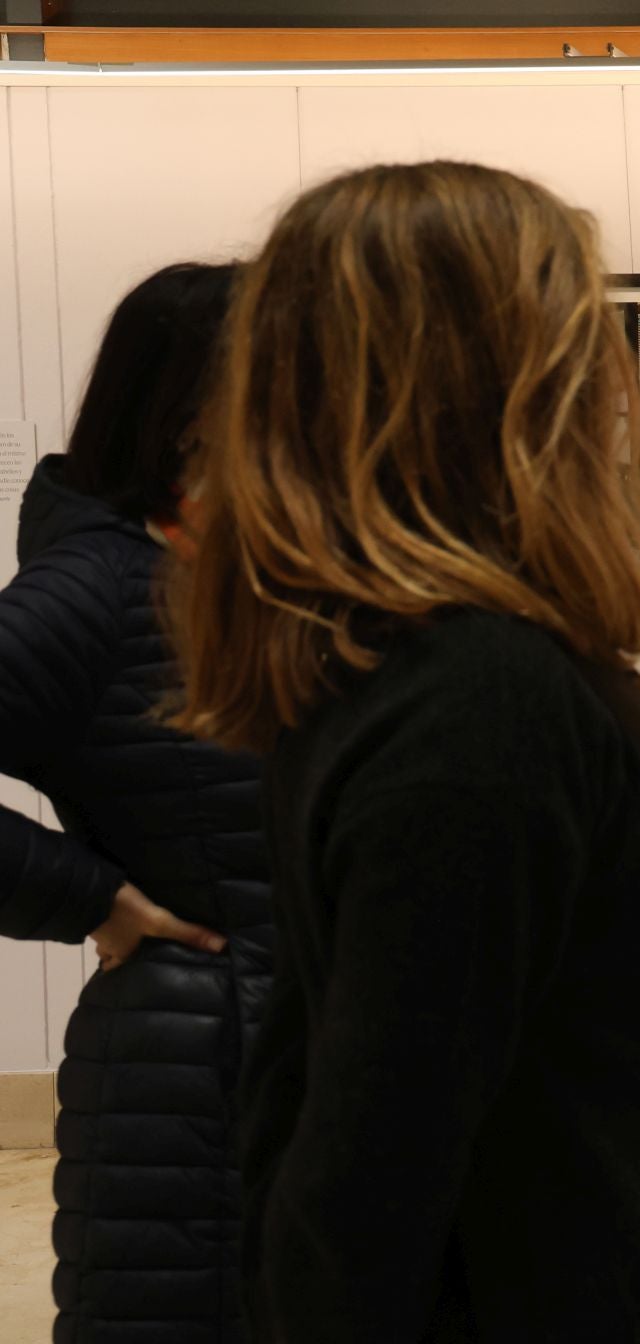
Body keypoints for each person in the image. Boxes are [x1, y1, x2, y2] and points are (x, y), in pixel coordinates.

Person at [167, 162, 640, 1343]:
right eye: (578, 341)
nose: (609, 389)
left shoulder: (428, 672)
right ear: (500, 391)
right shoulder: (476, 712)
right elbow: (363, 1197)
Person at [0, 261, 272, 1344]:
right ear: (194, 409)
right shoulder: (98, 585)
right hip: (187, 1084)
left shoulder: (266, 573)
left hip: (307, 1067)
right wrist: (90, 898)